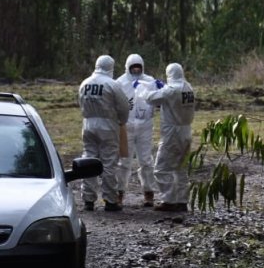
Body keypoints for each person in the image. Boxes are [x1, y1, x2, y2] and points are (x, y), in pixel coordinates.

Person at [139, 62, 195, 212]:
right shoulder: (188, 87)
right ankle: (182, 201)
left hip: (172, 133)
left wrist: (143, 89)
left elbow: (151, 98)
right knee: (180, 168)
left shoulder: (171, 90)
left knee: (161, 168)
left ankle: (169, 200)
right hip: (186, 130)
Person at [78, 55, 130, 212]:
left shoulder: (85, 83)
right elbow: (124, 107)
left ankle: (88, 200)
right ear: (111, 67)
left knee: (88, 160)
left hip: (88, 124)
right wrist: (121, 121)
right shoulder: (112, 84)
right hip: (107, 125)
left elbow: (80, 103)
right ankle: (110, 200)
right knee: (109, 163)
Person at [115, 54, 158, 207]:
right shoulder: (119, 83)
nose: (136, 70)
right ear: (128, 67)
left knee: (146, 160)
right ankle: (119, 193)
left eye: (138, 67)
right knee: (123, 161)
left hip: (145, 126)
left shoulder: (149, 81)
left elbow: (156, 99)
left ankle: (148, 192)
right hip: (126, 126)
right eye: (133, 67)